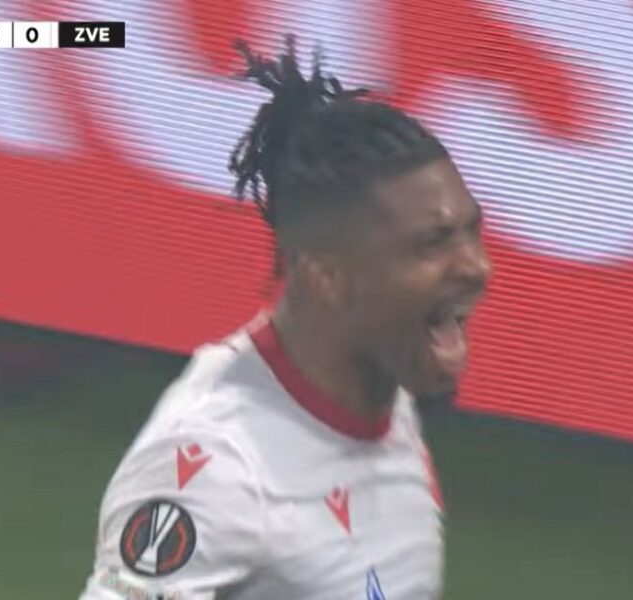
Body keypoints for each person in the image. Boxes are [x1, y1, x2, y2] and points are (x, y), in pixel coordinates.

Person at [78, 35, 491, 600]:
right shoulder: (216, 465)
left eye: (471, 232)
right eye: (431, 244)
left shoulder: (383, 399)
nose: (477, 267)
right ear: (326, 276)